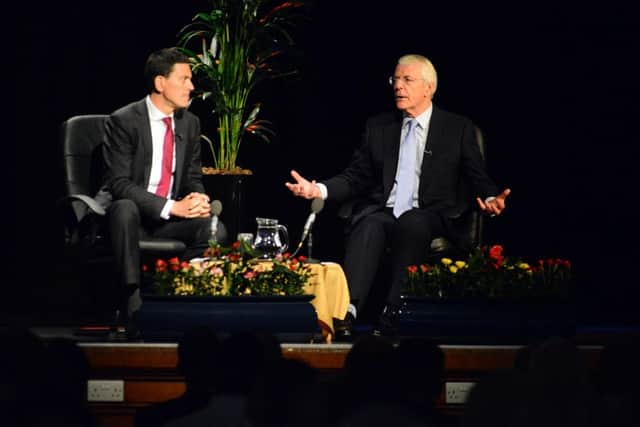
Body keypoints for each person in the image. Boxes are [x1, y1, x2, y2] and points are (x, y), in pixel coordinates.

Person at [285, 54, 510, 340]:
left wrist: (491, 198)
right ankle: (348, 311)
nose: (398, 86)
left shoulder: (458, 129)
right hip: (386, 211)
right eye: (395, 79)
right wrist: (319, 190)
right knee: (368, 223)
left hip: (433, 215)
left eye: (407, 80)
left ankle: (394, 311)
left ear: (429, 88)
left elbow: (477, 176)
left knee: (413, 222)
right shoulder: (379, 127)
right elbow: (355, 177)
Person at [99, 47, 226, 334]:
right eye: (184, 79)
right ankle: (132, 305)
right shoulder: (124, 120)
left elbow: (193, 176)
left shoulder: (190, 123)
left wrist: (196, 198)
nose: (192, 87)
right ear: (160, 83)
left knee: (213, 229)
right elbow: (119, 184)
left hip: (167, 223)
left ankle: (180, 299)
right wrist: (172, 207)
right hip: (131, 218)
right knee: (124, 207)